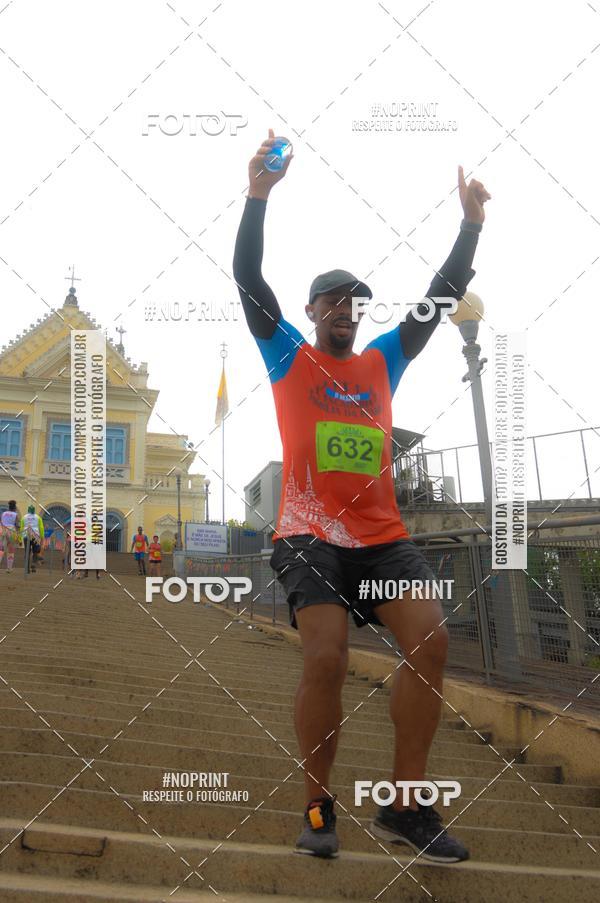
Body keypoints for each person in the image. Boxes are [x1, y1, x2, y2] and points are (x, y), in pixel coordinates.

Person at [233, 129, 490, 861]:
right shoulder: (289, 352)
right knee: (326, 657)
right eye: (336, 302)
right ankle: (318, 806)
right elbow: (249, 278)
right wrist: (258, 196)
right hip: (309, 534)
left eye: (357, 303)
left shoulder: (382, 361)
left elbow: (439, 299)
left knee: (431, 641)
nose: (349, 310)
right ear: (314, 310)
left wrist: (469, 225)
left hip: (381, 535)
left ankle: (405, 807)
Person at [20, 505, 44, 572]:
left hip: (26, 535)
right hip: (35, 536)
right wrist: (42, 537)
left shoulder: (23, 517)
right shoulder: (38, 517)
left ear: (28, 510)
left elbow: (21, 528)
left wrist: (20, 538)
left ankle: (26, 568)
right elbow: (41, 528)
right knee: (36, 551)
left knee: (27, 552)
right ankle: (33, 564)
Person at [0, 500, 20, 572]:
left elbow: (1, 522)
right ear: (14, 507)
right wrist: (18, 536)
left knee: (1, 549)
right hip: (11, 531)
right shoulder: (15, 515)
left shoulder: (3, 513)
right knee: (11, 550)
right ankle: (9, 568)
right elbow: (18, 525)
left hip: (3, 530)